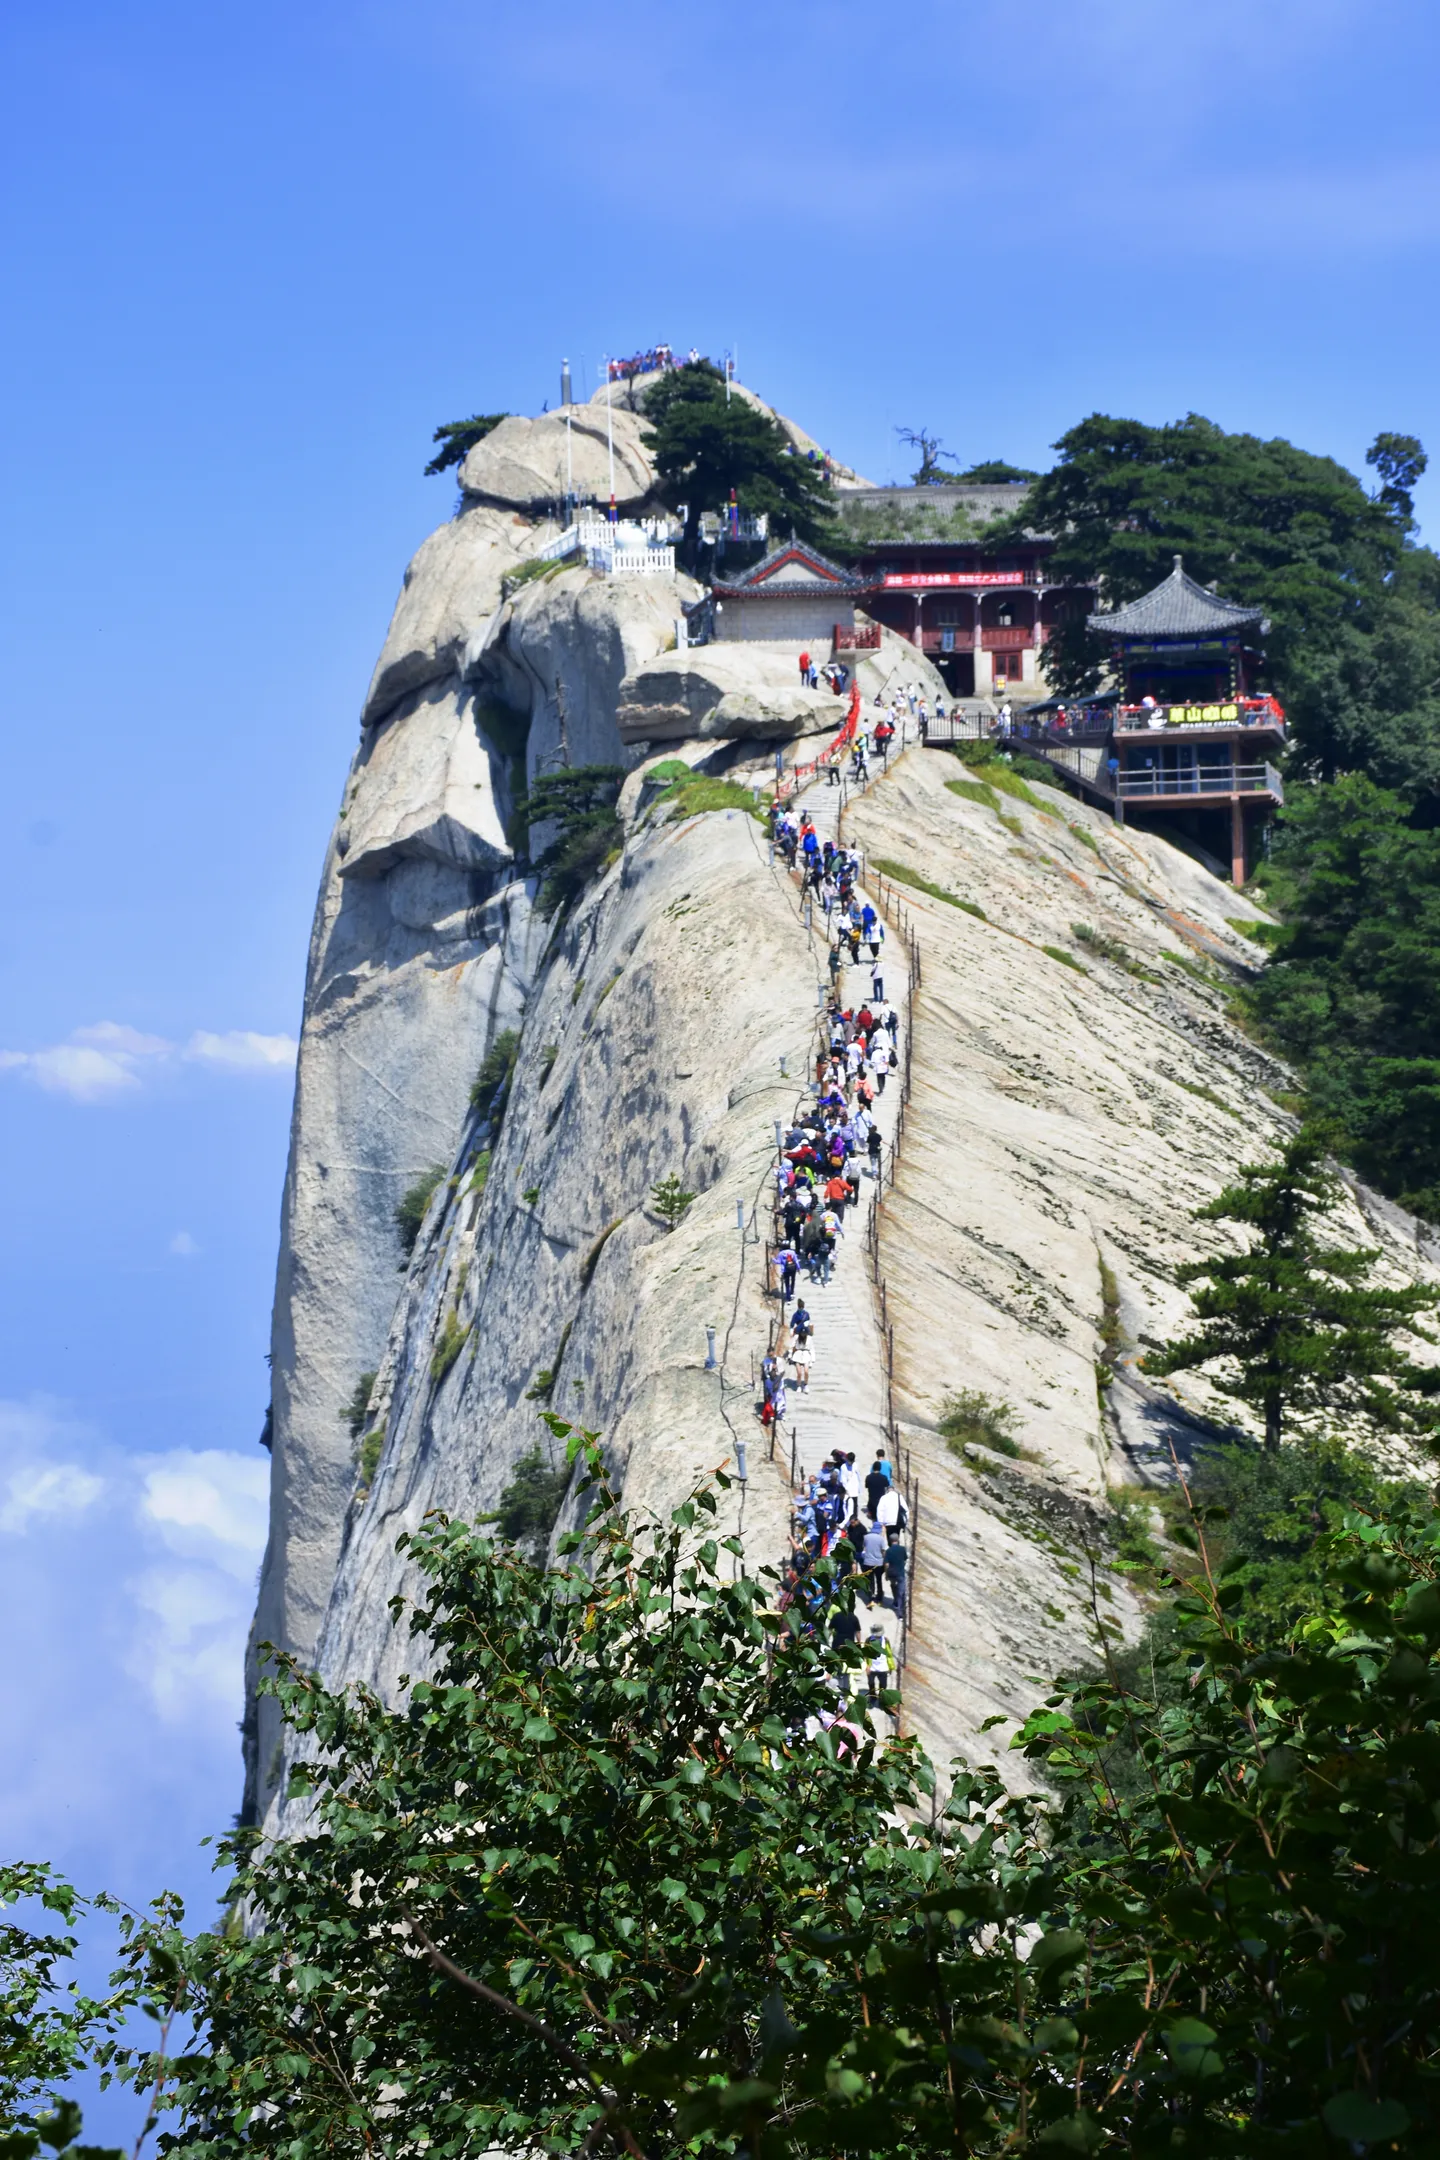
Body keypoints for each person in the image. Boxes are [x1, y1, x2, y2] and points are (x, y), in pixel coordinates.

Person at [860, 1521, 888, 1602]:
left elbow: (864, 1548)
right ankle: (879, 1597)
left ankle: (870, 1597)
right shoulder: (881, 1539)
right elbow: (883, 1551)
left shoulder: (866, 1537)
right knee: (879, 1581)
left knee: (870, 1581)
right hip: (878, 1563)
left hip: (868, 1562)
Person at [866, 1625, 896, 1699]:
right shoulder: (868, 1640)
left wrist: (890, 1667)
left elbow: (889, 1655)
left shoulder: (886, 1641)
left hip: (883, 1667)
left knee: (883, 1685)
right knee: (871, 1683)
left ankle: (881, 1699)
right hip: (872, 1667)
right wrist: (866, 1666)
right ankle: (873, 1697)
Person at [885, 1532, 907, 1614]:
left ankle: (895, 1600)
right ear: (898, 1540)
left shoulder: (888, 1551)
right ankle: (900, 1611)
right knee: (901, 1591)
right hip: (900, 1573)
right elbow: (905, 1559)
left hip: (891, 1573)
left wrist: (886, 1574)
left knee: (893, 1586)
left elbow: (886, 1564)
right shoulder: (902, 1549)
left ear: (890, 1541)